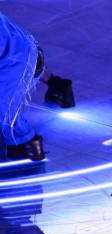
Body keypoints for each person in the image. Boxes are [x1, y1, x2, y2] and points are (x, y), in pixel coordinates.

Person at [0, 12, 75, 162]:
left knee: (5, 108)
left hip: (17, 62)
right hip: (26, 48)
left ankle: (27, 143)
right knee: (20, 59)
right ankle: (58, 87)